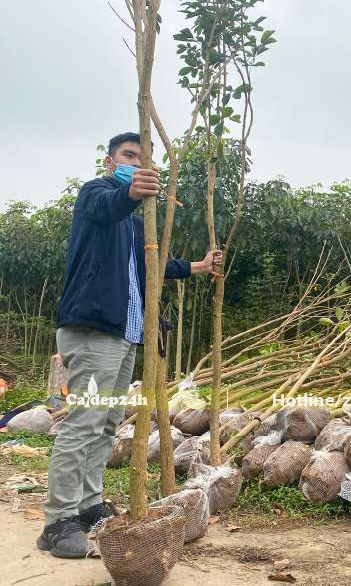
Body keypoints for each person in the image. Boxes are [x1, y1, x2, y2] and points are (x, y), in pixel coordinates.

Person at [37, 132, 221, 558]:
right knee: (84, 423)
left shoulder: (136, 225)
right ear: (110, 162)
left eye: (144, 158)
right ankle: (58, 521)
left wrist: (198, 266)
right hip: (94, 329)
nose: (137, 163)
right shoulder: (96, 194)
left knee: (105, 424)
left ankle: (88, 505)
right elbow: (110, 205)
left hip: (124, 334)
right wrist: (131, 193)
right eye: (128, 156)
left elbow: (155, 265)